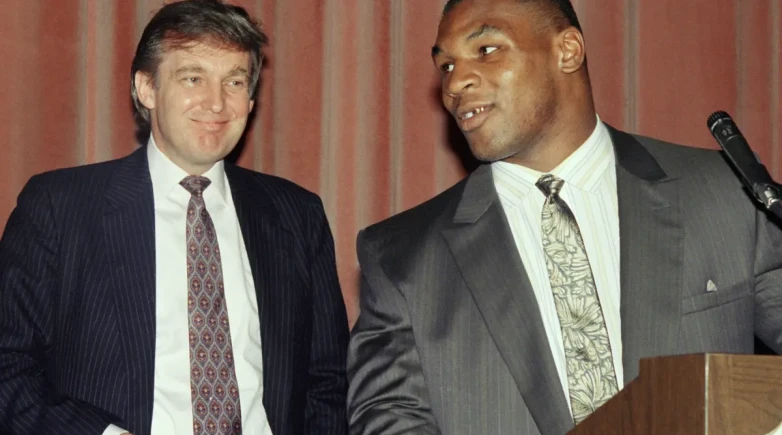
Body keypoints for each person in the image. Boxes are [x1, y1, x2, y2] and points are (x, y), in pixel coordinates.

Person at [346, 0, 782, 434]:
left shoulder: (724, 192)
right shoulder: (403, 257)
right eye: (446, 66)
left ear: (568, 50)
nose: (455, 83)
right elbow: (391, 422)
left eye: (486, 50)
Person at [0, 1, 349, 434]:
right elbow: (9, 365)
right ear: (146, 88)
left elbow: (328, 383)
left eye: (234, 81)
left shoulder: (296, 214)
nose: (216, 102)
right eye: (193, 78)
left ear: (251, 98)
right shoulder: (60, 208)